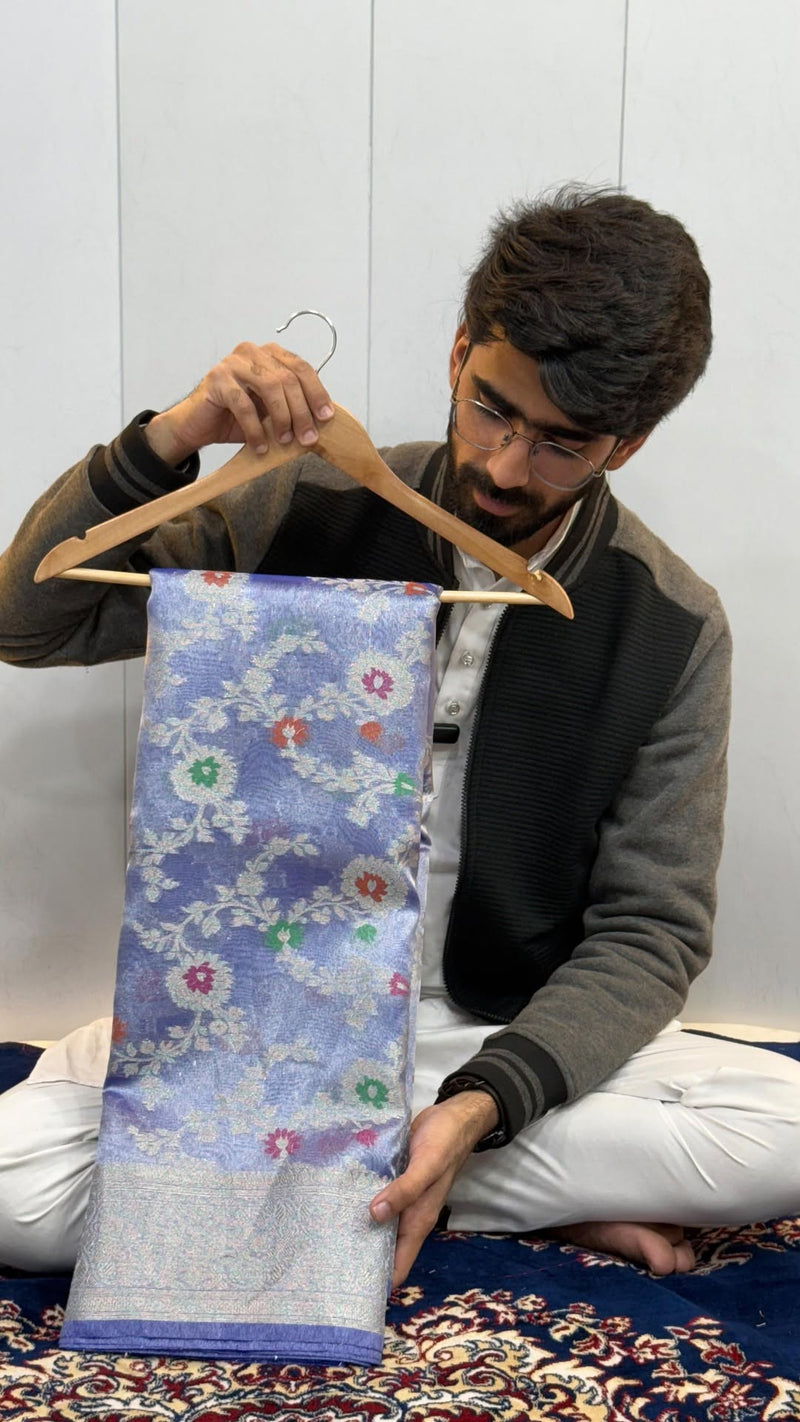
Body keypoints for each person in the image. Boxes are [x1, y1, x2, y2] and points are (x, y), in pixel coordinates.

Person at [1, 186, 798, 1288]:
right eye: (491, 410)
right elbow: (27, 623)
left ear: (631, 440)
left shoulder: (670, 622)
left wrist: (481, 1105)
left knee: (782, 1129)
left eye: (562, 446)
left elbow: (649, 933)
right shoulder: (305, 502)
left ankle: (334, 1170)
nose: (506, 466)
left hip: (481, 1035)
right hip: (262, 1016)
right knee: (12, 1197)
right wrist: (173, 437)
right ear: (461, 348)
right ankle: (469, 1190)